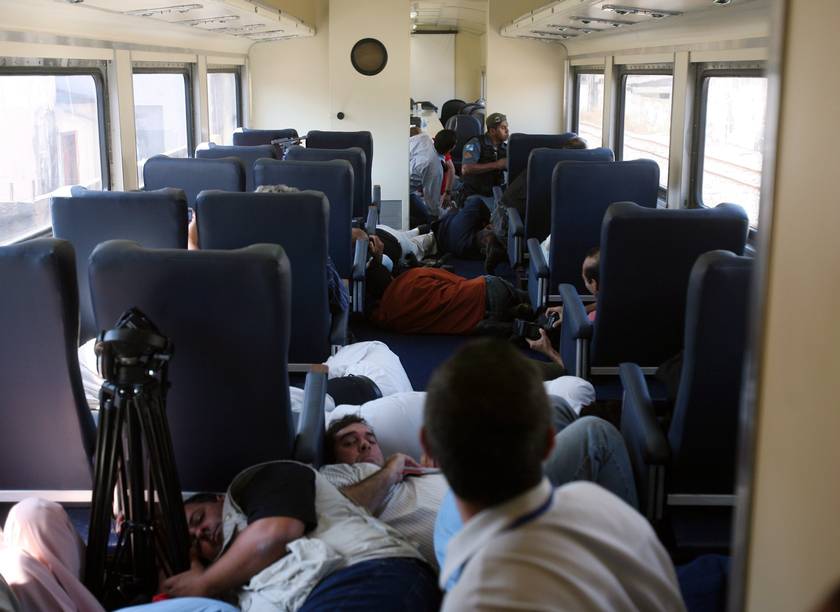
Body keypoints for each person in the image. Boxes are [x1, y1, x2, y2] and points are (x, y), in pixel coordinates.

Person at [421, 339, 686, 611]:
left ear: (428, 447)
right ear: (549, 444)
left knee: (557, 406)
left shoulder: (464, 589)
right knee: (586, 425)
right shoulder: (617, 519)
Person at [164, 461, 440, 611]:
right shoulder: (231, 584)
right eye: (193, 541)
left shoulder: (265, 480)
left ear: (219, 499)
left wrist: (204, 582)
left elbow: (274, 533)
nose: (199, 532)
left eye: (198, 519)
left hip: (365, 574)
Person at [367, 264, 531, 335]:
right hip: (485, 291)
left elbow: (373, 316)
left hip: (477, 322)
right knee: (532, 300)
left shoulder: (390, 319)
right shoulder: (412, 276)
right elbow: (456, 280)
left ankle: (514, 321)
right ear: (390, 275)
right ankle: (528, 306)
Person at [526, 246, 600, 368]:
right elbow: (603, 302)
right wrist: (576, 312)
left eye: (585, 279)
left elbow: (578, 371)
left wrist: (549, 351)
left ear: (593, 283)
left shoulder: (593, 322)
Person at [459, 112, 509, 211]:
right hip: (475, 194)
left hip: (496, 194)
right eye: (503, 128)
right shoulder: (475, 143)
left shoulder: (506, 148)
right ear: (493, 131)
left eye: (507, 127)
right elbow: (466, 168)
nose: (507, 130)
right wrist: (497, 165)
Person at [409, 129, 457, 225]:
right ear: (450, 149)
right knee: (427, 217)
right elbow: (432, 204)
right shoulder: (434, 169)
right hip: (405, 191)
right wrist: (443, 214)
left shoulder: (424, 137)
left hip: (397, 171)